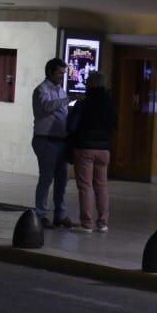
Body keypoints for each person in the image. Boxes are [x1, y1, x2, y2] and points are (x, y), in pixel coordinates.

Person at [67, 72, 115, 233]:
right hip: (104, 150)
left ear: (91, 84)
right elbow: (114, 124)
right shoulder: (110, 103)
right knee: (102, 186)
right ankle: (103, 223)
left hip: (85, 148)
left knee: (85, 186)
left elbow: (72, 126)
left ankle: (87, 224)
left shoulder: (84, 103)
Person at [32, 58, 73, 228]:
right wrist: (68, 100)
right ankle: (41, 214)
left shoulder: (61, 91)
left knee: (62, 179)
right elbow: (46, 106)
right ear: (50, 72)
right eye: (60, 73)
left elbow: (63, 113)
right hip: (45, 140)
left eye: (64, 73)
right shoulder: (41, 90)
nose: (62, 76)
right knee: (46, 178)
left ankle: (60, 214)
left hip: (61, 141)